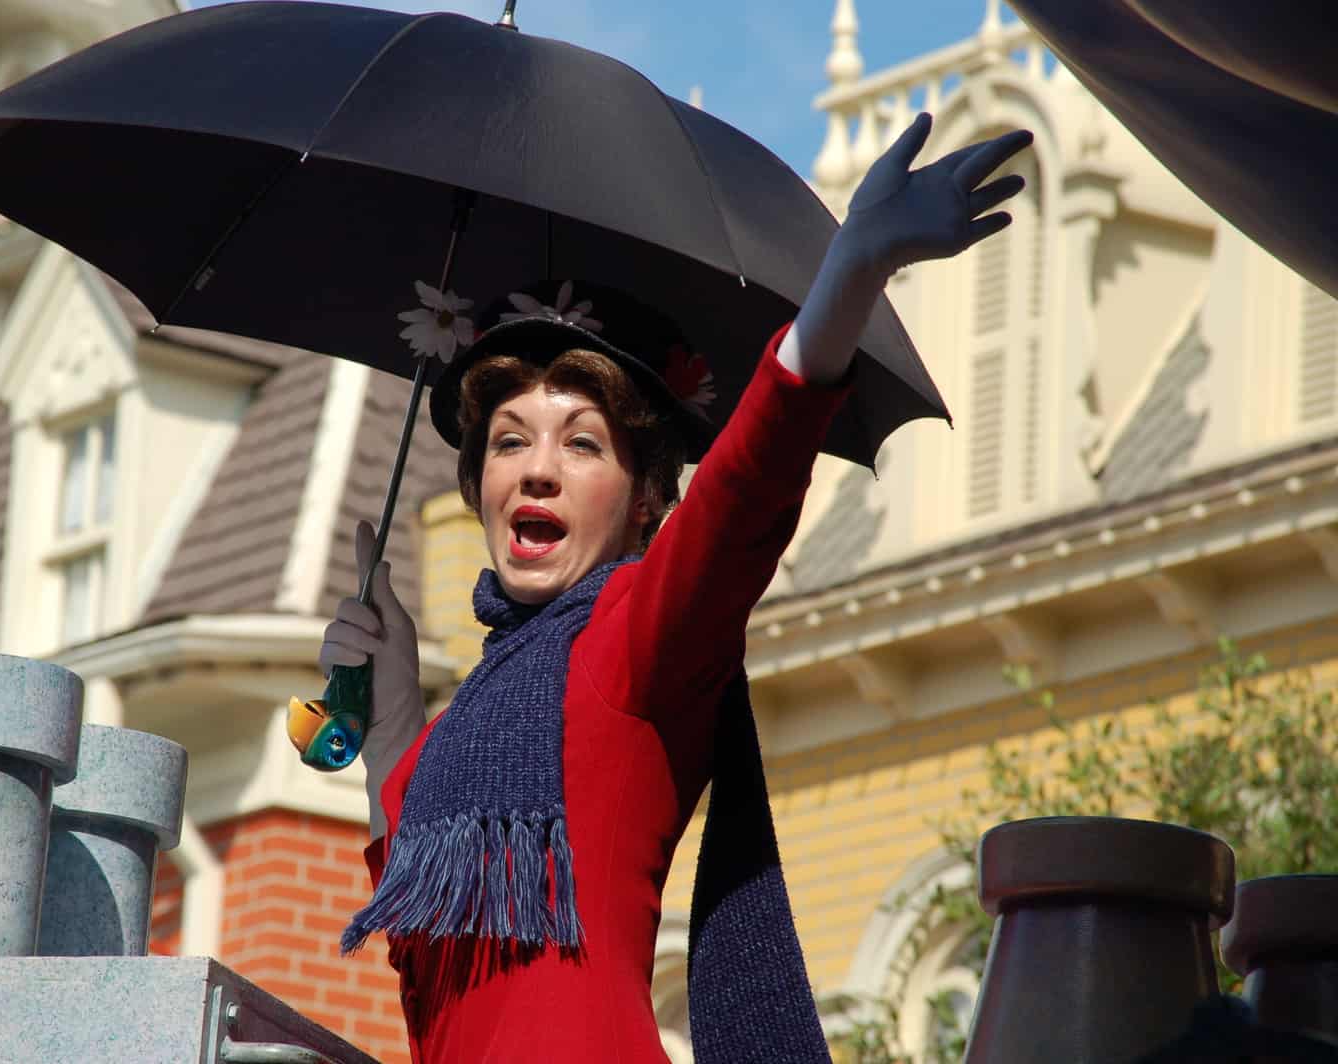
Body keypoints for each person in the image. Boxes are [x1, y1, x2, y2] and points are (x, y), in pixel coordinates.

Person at [319, 114, 1032, 1063]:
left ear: (649, 500)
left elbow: (747, 489)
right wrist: (394, 723)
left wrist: (855, 267)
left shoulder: (638, 640)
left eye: (581, 442)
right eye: (508, 440)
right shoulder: (465, 732)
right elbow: (432, 981)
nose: (535, 470)